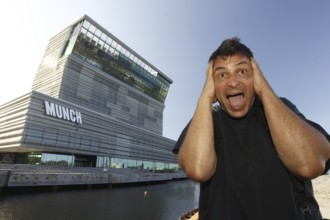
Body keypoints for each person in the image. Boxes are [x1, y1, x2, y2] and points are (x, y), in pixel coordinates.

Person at [173, 37, 330, 220]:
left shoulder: (281, 108)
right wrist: (205, 97)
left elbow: (310, 165)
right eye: (222, 75)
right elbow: (197, 169)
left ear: (255, 75)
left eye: (242, 71)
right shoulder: (206, 119)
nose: (233, 82)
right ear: (212, 83)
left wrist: (263, 89)